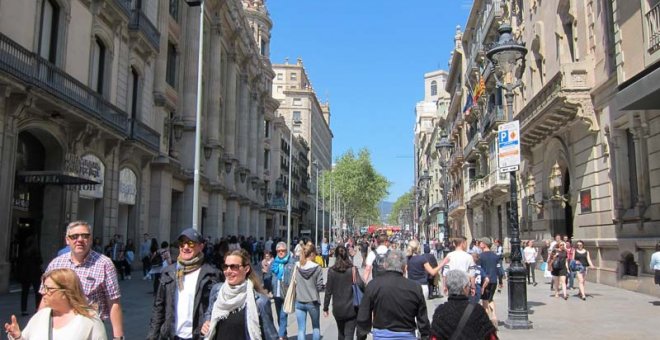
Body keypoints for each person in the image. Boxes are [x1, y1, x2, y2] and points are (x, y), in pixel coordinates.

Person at [42, 220, 123, 339]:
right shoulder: (56, 264)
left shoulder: (104, 264)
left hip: (90, 329)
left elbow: (114, 302)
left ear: (90, 239)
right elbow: (45, 298)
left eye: (85, 236)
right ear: (67, 240)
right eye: (74, 236)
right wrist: (38, 326)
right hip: (59, 327)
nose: (79, 240)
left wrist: (118, 337)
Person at [147, 228, 220, 340]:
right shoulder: (168, 272)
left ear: (201, 246)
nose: (185, 247)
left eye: (190, 243)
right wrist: (152, 337)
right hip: (171, 336)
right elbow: (158, 308)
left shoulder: (212, 274)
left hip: (199, 336)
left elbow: (218, 308)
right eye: (182, 243)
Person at [4, 268, 107, 340]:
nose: (43, 292)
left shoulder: (89, 319)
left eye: (48, 288)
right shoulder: (41, 316)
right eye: (43, 287)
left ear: (66, 292)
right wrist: (17, 336)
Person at [201, 249, 278, 340]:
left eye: (234, 267)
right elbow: (209, 314)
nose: (228, 271)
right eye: (225, 266)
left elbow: (271, 336)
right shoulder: (217, 291)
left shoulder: (259, 301)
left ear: (246, 269)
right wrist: (206, 323)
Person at [357, 249, 429, 340]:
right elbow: (422, 318)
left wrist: (361, 336)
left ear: (385, 265)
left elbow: (364, 315)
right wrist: (425, 336)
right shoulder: (415, 287)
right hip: (407, 335)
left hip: (381, 336)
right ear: (404, 267)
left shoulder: (373, 285)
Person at [429, 270, 497, 340]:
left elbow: (434, 338)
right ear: (464, 288)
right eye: (469, 286)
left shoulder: (440, 311)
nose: (469, 288)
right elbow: (491, 337)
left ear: (447, 288)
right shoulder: (477, 310)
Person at [323, 245, 365, 340]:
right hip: (352, 308)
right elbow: (361, 285)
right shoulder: (353, 269)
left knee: (341, 333)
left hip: (338, 308)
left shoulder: (331, 271)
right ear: (347, 255)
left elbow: (328, 291)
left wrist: (325, 308)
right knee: (349, 334)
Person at [294, 243, 324, 340]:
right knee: (315, 327)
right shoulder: (317, 268)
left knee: (301, 329)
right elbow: (319, 286)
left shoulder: (297, 266)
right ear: (311, 254)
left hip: (299, 301)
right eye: (315, 253)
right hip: (313, 301)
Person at [269, 242, 296, 340]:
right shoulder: (273, 262)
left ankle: (280, 337)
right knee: (279, 315)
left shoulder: (291, 262)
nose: (281, 252)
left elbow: (295, 277)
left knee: (283, 315)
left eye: (283, 251)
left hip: (287, 293)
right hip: (276, 293)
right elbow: (269, 276)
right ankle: (284, 335)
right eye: (279, 251)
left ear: (286, 251)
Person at [17, 232, 42, 316]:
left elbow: (20, 262)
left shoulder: (24, 251)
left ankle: (23, 310)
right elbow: (40, 261)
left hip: (25, 273)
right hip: (35, 273)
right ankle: (37, 308)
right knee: (37, 292)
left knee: (24, 292)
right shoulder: (35, 251)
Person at [477, 237, 500, 328]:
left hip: (484, 281)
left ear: (485, 244)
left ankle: (486, 320)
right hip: (494, 280)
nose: (479, 244)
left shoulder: (481, 256)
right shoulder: (495, 256)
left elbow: (479, 270)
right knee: (491, 298)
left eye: (480, 243)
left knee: (485, 300)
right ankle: (494, 316)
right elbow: (499, 269)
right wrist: (501, 281)